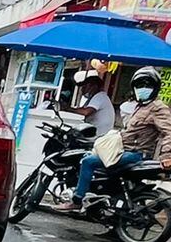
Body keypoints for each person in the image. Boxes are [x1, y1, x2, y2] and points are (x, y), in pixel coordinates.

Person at [56, 67, 171, 212]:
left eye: (147, 86)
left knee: (88, 162)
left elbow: (168, 131)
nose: (143, 89)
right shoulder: (141, 107)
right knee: (89, 156)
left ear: (155, 88)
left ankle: (77, 200)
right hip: (124, 149)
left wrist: (167, 155)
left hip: (135, 153)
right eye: (139, 86)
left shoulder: (157, 108)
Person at [58, 71, 115, 136]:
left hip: (99, 134)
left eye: (85, 87)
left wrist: (68, 109)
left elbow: (86, 112)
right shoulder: (92, 98)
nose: (82, 89)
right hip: (93, 130)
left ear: (94, 86)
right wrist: (69, 109)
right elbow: (82, 109)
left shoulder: (100, 96)